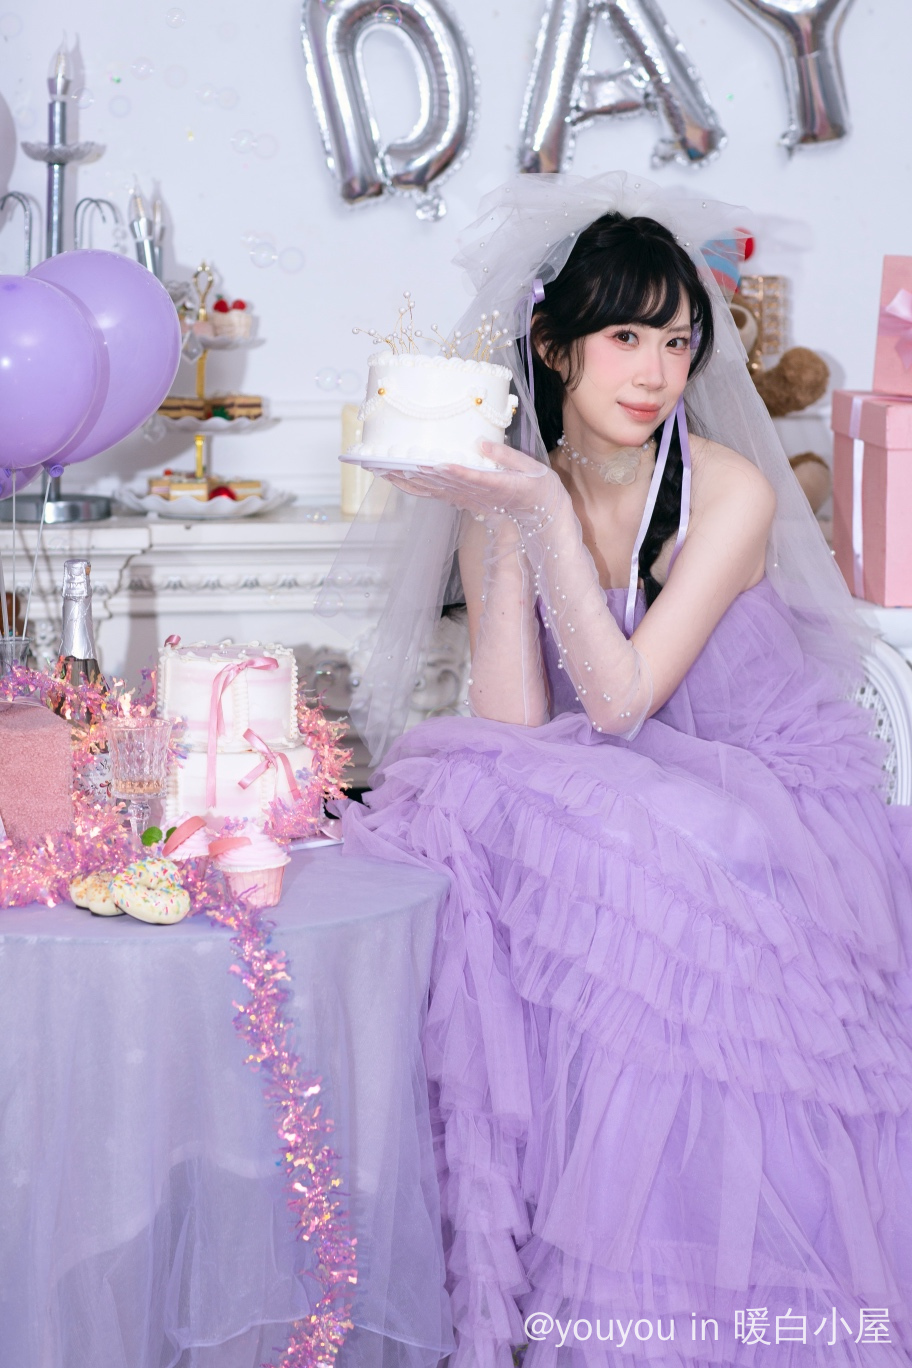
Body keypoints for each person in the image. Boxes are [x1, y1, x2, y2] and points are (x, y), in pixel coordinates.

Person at [326, 173, 912, 1367]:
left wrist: (540, 513)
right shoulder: (514, 489)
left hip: (766, 795)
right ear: (553, 347)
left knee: (654, 856)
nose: (655, 372)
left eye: (678, 342)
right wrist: (509, 520)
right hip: (623, 787)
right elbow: (515, 727)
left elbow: (621, 699)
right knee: (480, 813)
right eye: (625, 337)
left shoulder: (730, 491)